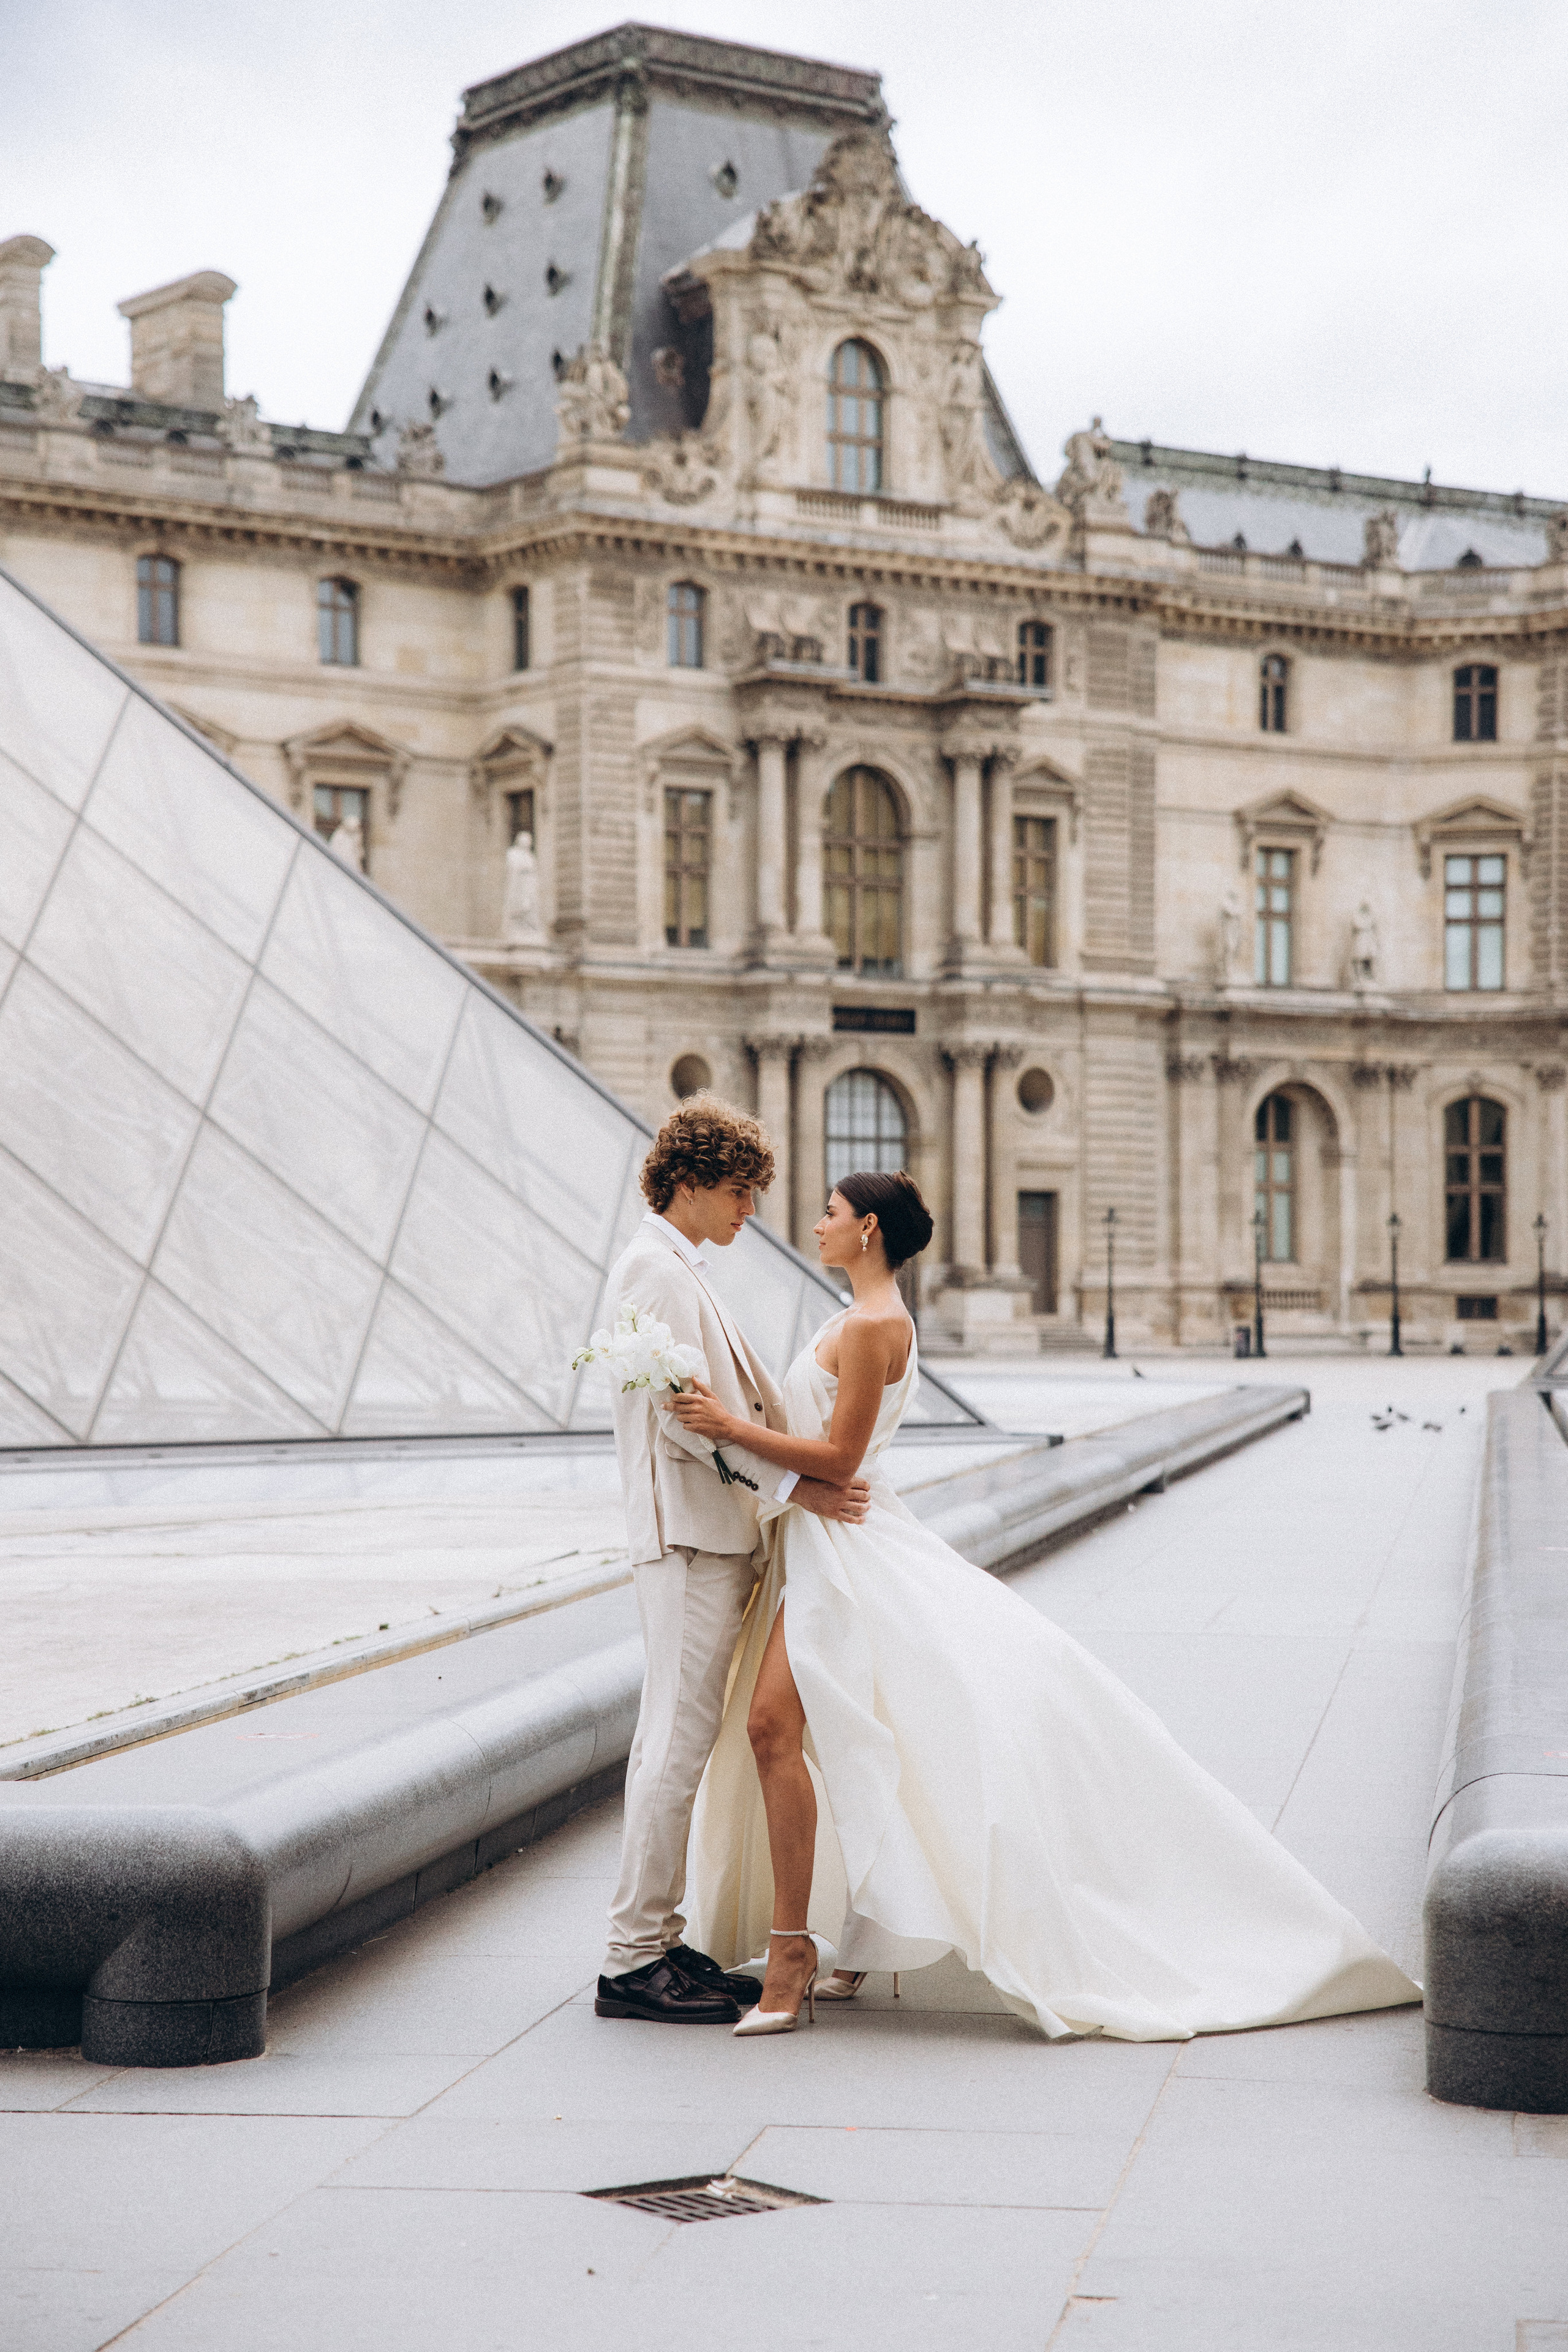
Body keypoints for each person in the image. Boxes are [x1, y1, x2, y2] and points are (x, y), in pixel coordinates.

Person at [671, 1168, 1421, 2041]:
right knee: (852, 1732)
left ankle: (795, 1947)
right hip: (831, 1544)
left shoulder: (874, 1326)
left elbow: (839, 1459)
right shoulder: (851, 1318)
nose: (817, 1223)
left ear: (868, 1228)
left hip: (847, 1554)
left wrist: (728, 1430)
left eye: (831, 1213)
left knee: (780, 1730)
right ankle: (856, 1934)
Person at [595, 1097, 870, 2027]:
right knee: (673, 1742)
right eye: (741, 1193)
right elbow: (686, 1424)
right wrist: (803, 1491)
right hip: (689, 1535)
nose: (749, 1213)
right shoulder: (658, 1271)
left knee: (678, 1740)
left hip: (709, 1533)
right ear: (695, 1181)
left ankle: (660, 1942)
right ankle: (634, 1960)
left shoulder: (673, 1266)